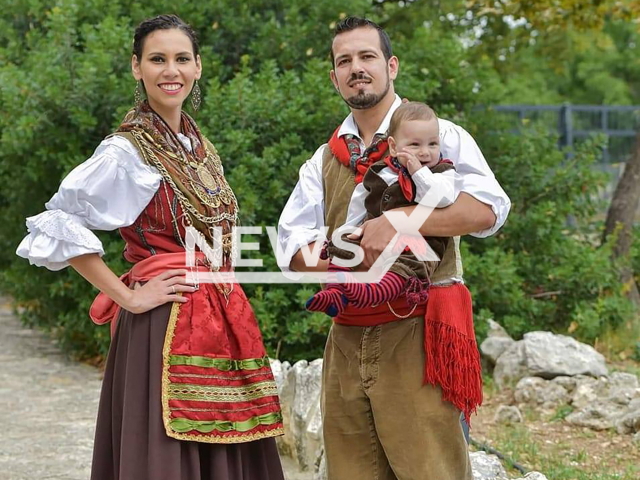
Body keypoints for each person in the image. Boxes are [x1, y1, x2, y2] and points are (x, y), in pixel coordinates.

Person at [17, 14, 285, 480]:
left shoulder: (198, 144)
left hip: (220, 318)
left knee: (224, 453)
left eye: (181, 59)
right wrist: (128, 296)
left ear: (198, 67)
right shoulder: (127, 151)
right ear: (136, 68)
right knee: (166, 458)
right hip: (165, 320)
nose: (171, 70)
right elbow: (59, 220)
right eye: (157, 59)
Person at [277, 16, 511, 480]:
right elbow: (290, 250)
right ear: (334, 76)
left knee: (432, 472)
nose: (356, 68)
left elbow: (487, 211)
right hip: (346, 334)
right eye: (344, 61)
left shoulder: (438, 135)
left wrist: (402, 219)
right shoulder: (323, 159)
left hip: (419, 332)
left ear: (391, 65)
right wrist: (352, 251)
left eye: (367, 57)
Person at [305, 101, 458, 317]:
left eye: (432, 144)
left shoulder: (442, 173)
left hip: (417, 245)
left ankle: (369, 293)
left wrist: (418, 173)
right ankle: (335, 293)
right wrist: (348, 232)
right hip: (371, 235)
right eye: (415, 145)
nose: (425, 152)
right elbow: (359, 201)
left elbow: (442, 198)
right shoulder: (381, 171)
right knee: (341, 249)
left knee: (406, 269)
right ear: (394, 147)